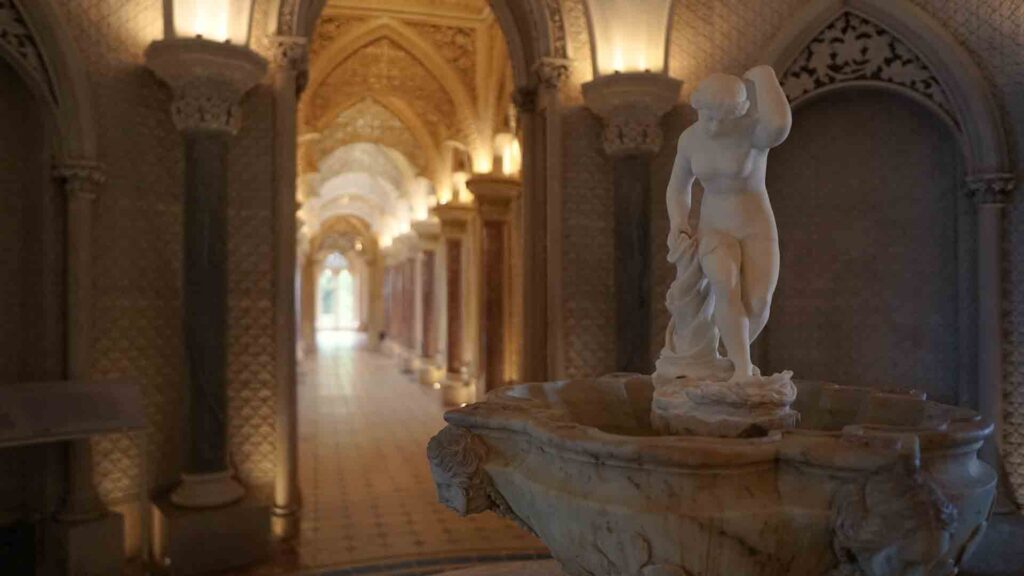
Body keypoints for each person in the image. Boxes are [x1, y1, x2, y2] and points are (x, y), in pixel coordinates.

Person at [662, 65, 792, 383]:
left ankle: (727, 355)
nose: (715, 125)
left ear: (738, 113)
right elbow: (678, 186)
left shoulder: (753, 133)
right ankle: (743, 370)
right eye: (708, 116)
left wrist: (763, 76)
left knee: (759, 303)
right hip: (714, 226)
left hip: (756, 226)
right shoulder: (690, 140)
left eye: (724, 118)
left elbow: (779, 125)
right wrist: (678, 221)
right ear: (698, 108)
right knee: (724, 283)